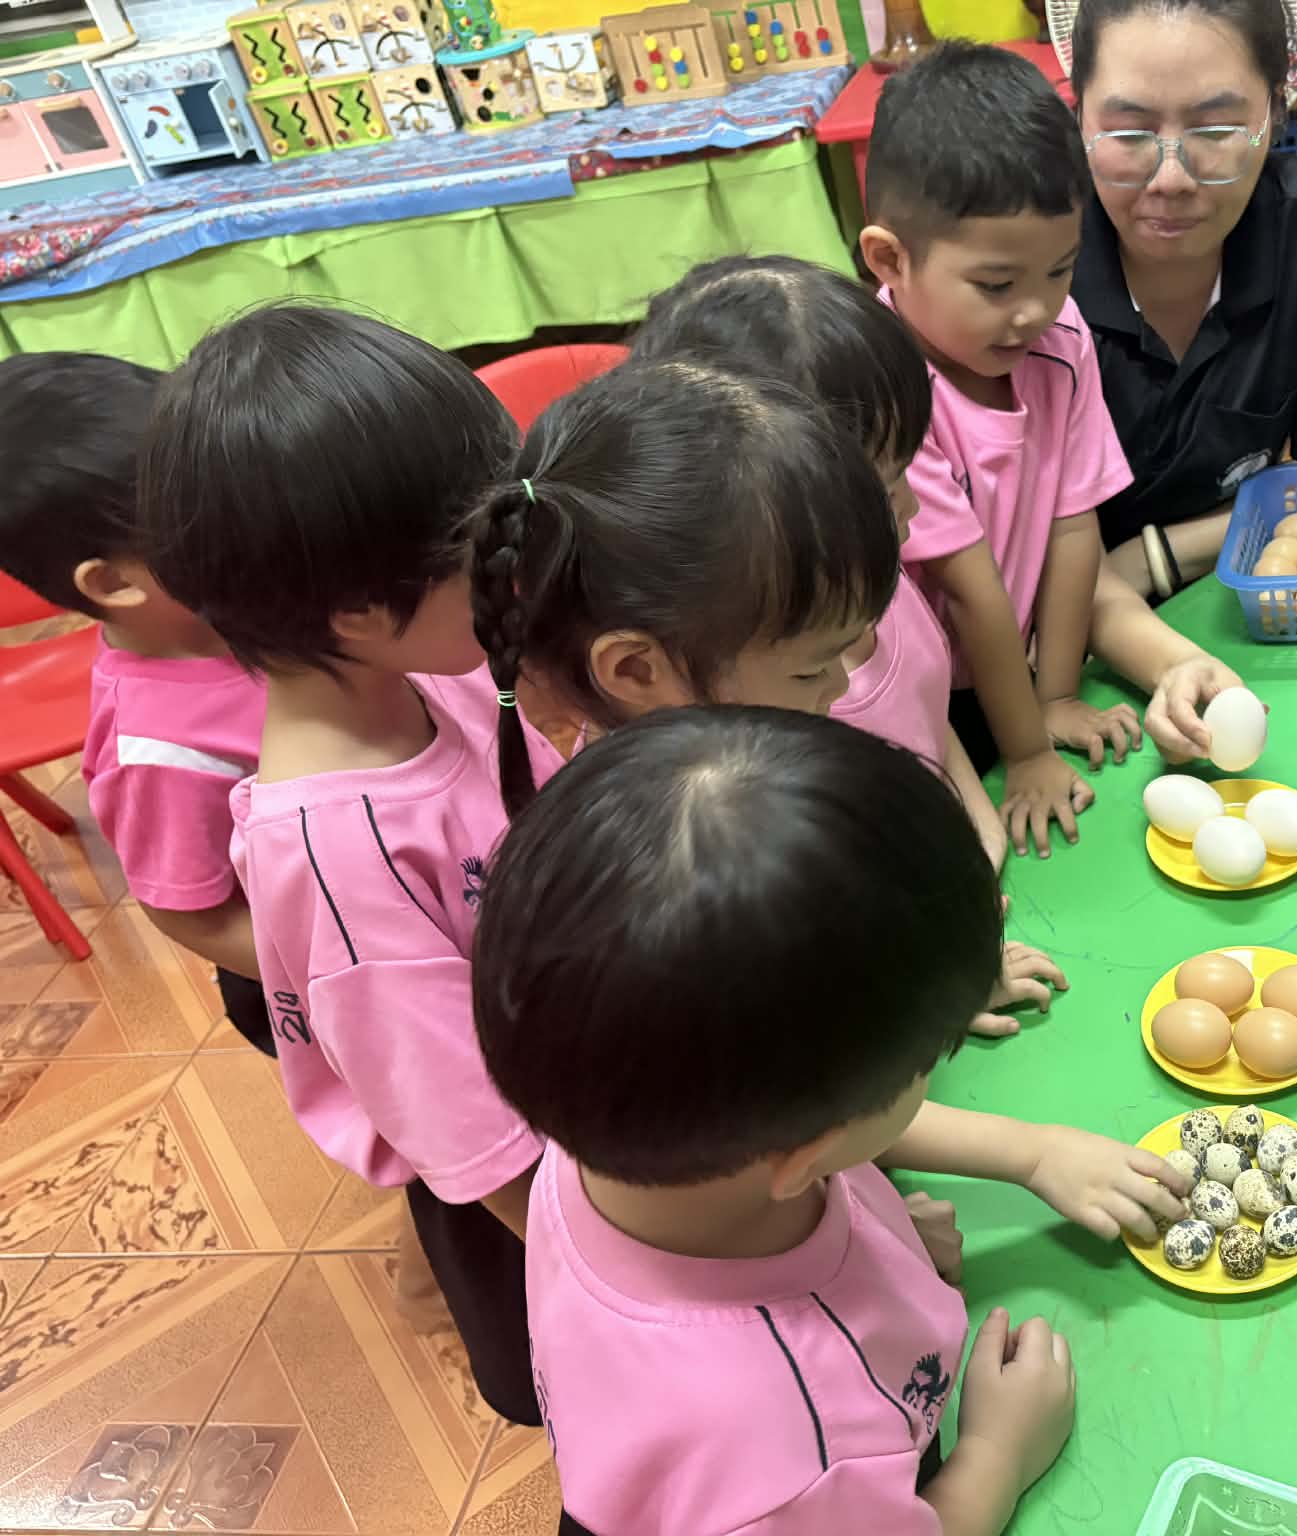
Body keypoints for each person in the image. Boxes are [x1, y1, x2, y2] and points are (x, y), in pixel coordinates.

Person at [474, 706, 1194, 1535]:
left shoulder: (608, 1115)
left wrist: (992, 1176)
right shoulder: (786, 1456)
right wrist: (996, 1453)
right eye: (924, 1061)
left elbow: (831, 1123)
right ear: (808, 1154)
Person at [138, 304, 553, 1425]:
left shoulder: (436, 664)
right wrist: (670, 1276)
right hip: (526, 1193)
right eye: (489, 557)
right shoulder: (338, 858)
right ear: (362, 614)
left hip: (566, 1078)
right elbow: (479, 1148)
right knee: (573, 1383)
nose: (517, 574)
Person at [471, 352, 1067, 1038]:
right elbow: (782, 1068)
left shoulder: (744, 760)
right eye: (812, 672)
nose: (841, 688)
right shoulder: (659, 886)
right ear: (635, 670)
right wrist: (917, 1004)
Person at [629, 255, 1008, 871]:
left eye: (906, 471)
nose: (913, 506)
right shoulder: (754, 685)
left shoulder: (868, 577)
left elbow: (926, 715)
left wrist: (981, 831)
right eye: (884, 490)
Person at [860, 43, 1143, 857]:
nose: (1034, 311)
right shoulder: (882, 386)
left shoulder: (1061, 340)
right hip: (916, 711)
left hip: (1013, 672)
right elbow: (968, 585)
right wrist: (1026, 752)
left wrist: (1056, 696)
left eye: (1060, 270)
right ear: (890, 259)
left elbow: (1072, 522)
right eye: (995, 286)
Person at [1068, 0, 1297, 597]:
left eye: (1216, 130)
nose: (1170, 179)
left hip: (1236, 589)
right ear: (1078, 115)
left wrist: (1150, 558)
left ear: (1275, 110)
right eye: (1129, 132)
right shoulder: (1032, 264)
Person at [0, 352, 274, 1058]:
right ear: (114, 583)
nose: (259, 516)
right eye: (218, 516)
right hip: (311, 970)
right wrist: (343, 971)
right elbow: (189, 913)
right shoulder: (160, 750)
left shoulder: (243, 605)